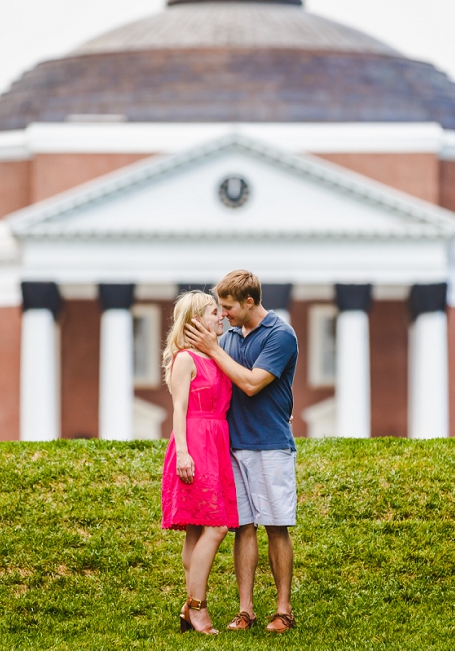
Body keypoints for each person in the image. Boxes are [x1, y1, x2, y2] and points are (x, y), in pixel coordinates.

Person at [185, 270, 300, 634]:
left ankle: (283, 609)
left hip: (270, 443)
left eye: (229, 306)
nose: (224, 313)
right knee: (243, 527)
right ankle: (245, 610)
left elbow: (250, 383)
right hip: (232, 446)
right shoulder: (231, 337)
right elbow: (219, 380)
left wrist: (213, 349)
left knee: (276, 526)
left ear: (249, 302)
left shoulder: (281, 335)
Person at [160, 291, 238, 636]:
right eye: (213, 311)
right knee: (217, 526)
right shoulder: (185, 359)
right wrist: (183, 453)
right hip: (195, 442)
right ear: (195, 321)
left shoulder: (216, 356)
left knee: (196, 529)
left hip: (217, 441)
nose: (220, 316)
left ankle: (189, 605)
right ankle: (197, 607)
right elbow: (178, 409)